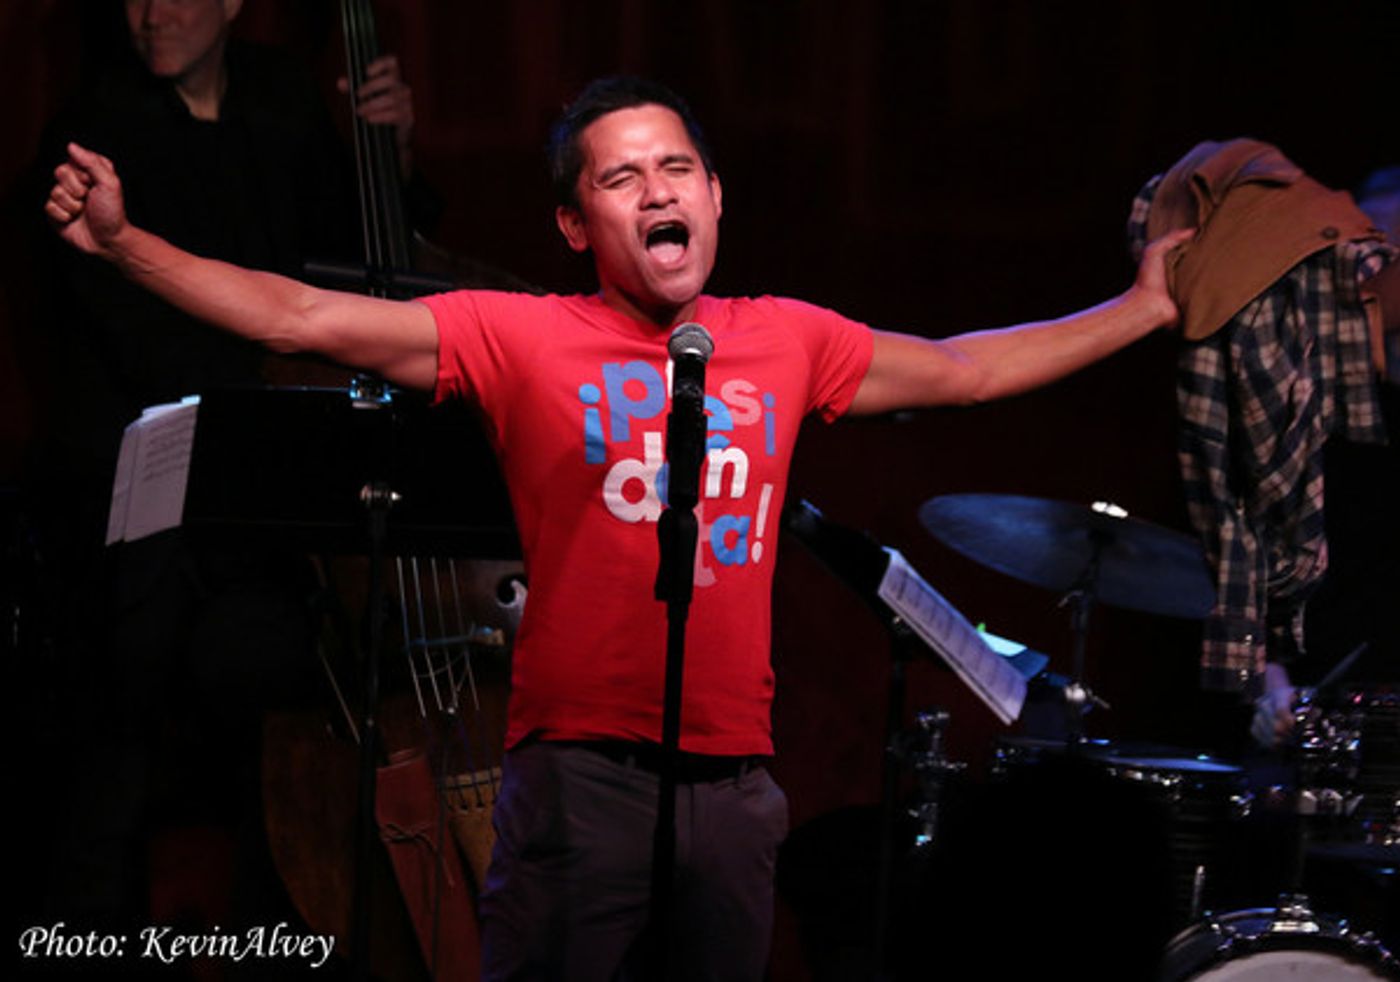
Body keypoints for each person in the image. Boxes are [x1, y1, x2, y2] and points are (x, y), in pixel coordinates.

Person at [47, 74, 1190, 980]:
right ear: (572, 221)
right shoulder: (521, 335)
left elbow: (964, 370)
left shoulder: (786, 338)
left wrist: (1142, 306)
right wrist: (125, 242)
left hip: (734, 790)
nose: (656, 192)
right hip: (579, 782)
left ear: (714, 197)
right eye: (622, 176)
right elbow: (299, 316)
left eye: (675, 168)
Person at [24, 0, 423, 945]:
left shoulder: (282, 98)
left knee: (317, 645)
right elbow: (126, 333)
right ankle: (91, 926)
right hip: (151, 464)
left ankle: (301, 920)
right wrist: (275, 378)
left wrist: (390, 155)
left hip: (279, 466)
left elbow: (360, 266)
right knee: (133, 663)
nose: (151, 12)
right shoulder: (90, 127)